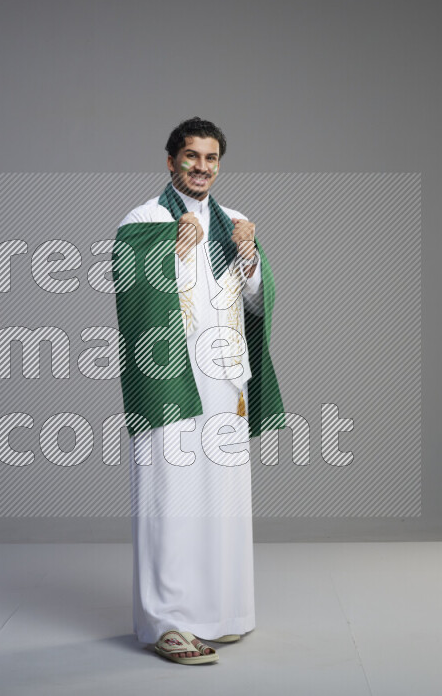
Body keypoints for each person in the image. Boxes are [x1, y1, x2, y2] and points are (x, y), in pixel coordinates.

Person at [113, 117, 285, 665]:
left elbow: (256, 302)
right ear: (170, 161)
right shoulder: (146, 219)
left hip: (225, 379)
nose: (202, 168)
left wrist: (250, 255)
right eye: (191, 157)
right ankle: (168, 623)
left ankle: (220, 613)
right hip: (172, 380)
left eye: (212, 159)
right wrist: (175, 250)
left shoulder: (235, 222)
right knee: (169, 498)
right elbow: (133, 297)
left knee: (222, 503)